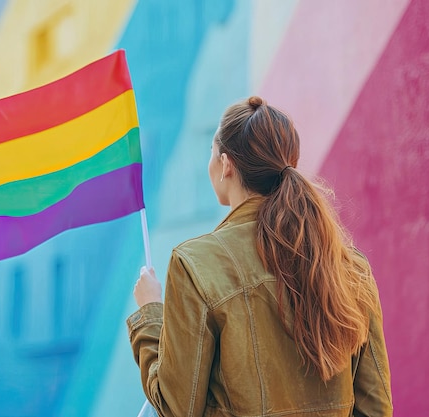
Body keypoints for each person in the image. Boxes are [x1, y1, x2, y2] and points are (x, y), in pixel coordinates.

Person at [126, 96, 393, 416]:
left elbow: (175, 408)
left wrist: (151, 314)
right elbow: (375, 407)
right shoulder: (349, 267)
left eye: (211, 152)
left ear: (226, 164)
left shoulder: (196, 264)